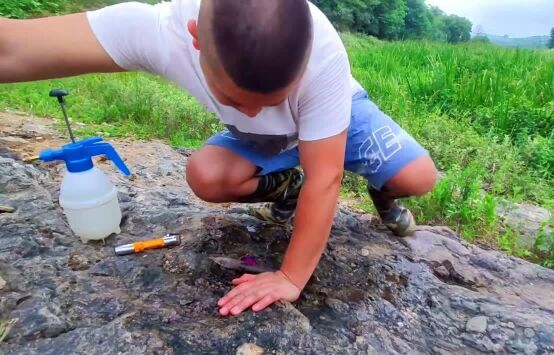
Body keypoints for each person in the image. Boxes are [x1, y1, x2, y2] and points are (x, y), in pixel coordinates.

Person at [0, 0, 438, 316]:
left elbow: (328, 176)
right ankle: (286, 185)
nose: (252, 110)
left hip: (332, 117)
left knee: (419, 177)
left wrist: (289, 277)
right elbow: (12, 48)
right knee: (206, 176)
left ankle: (383, 192)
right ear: (195, 41)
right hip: (263, 142)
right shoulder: (159, 30)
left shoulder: (324, 61)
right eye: (234, 98)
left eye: (271, 99)